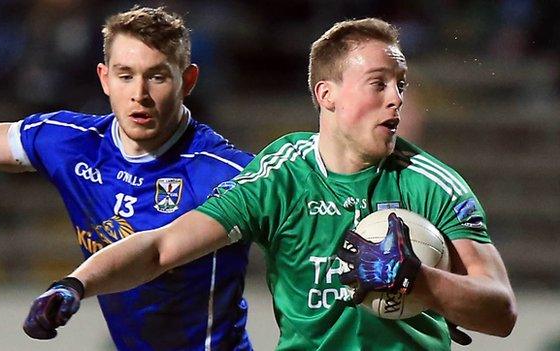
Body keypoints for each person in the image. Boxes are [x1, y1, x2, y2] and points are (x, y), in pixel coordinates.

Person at [26, 18, 518, 350]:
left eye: (401, 85)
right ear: (326, 94)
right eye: (379, 83)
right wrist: (75, 285)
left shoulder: (432, 184)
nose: (396, 99)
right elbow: (160, 249)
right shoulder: (280, 175)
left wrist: (423, 281)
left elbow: (502, 311)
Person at [0, 6, 254, 351]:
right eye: (125, 75)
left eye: (157, 76)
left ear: (187, 81)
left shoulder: (228, 172)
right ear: (104, 78)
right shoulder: (72, 143)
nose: (140, 94)